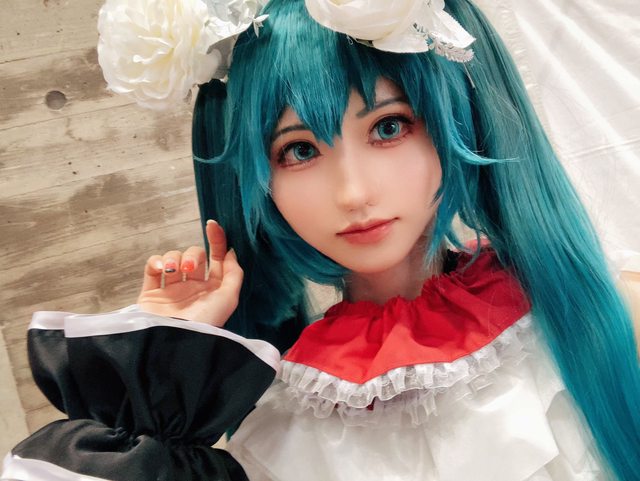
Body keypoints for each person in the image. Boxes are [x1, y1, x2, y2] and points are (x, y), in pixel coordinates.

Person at [2, 0, 639, 480]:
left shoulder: (596, 320)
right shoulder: (281, 414)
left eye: (389, 127)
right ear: (255, 181)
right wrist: (161, 360)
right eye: (299, 150)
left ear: (455, 120)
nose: (353, 193)